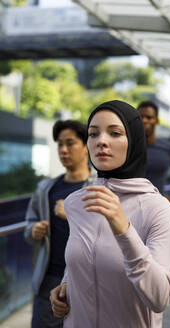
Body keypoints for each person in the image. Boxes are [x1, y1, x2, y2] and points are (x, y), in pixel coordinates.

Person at [50, 100, 170, 328]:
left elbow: (160, 299)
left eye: (115, 133)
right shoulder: (76, 203)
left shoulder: (157, 208)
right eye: (93, 134)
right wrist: (66, 285)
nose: (101, 142)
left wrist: (124, 230)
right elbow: (81, 259)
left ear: (134, 141)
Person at [24, 120, 96, 328]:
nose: (64, 150)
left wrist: (72, 215)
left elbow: (108, 233)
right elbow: (29, 224)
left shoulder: (98, 187)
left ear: (85, 147)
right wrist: (34, 230)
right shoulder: (46, 188)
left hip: (85, 280)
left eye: (70, 143)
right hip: (49, 279)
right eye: (60, 144)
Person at [137, 100, 170, 207]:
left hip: (157, 209)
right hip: (127, 209)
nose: (144, 120)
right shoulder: (125, 146)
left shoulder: (169, 148)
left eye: (148, 117)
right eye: (140, 117)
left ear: (156, 121)